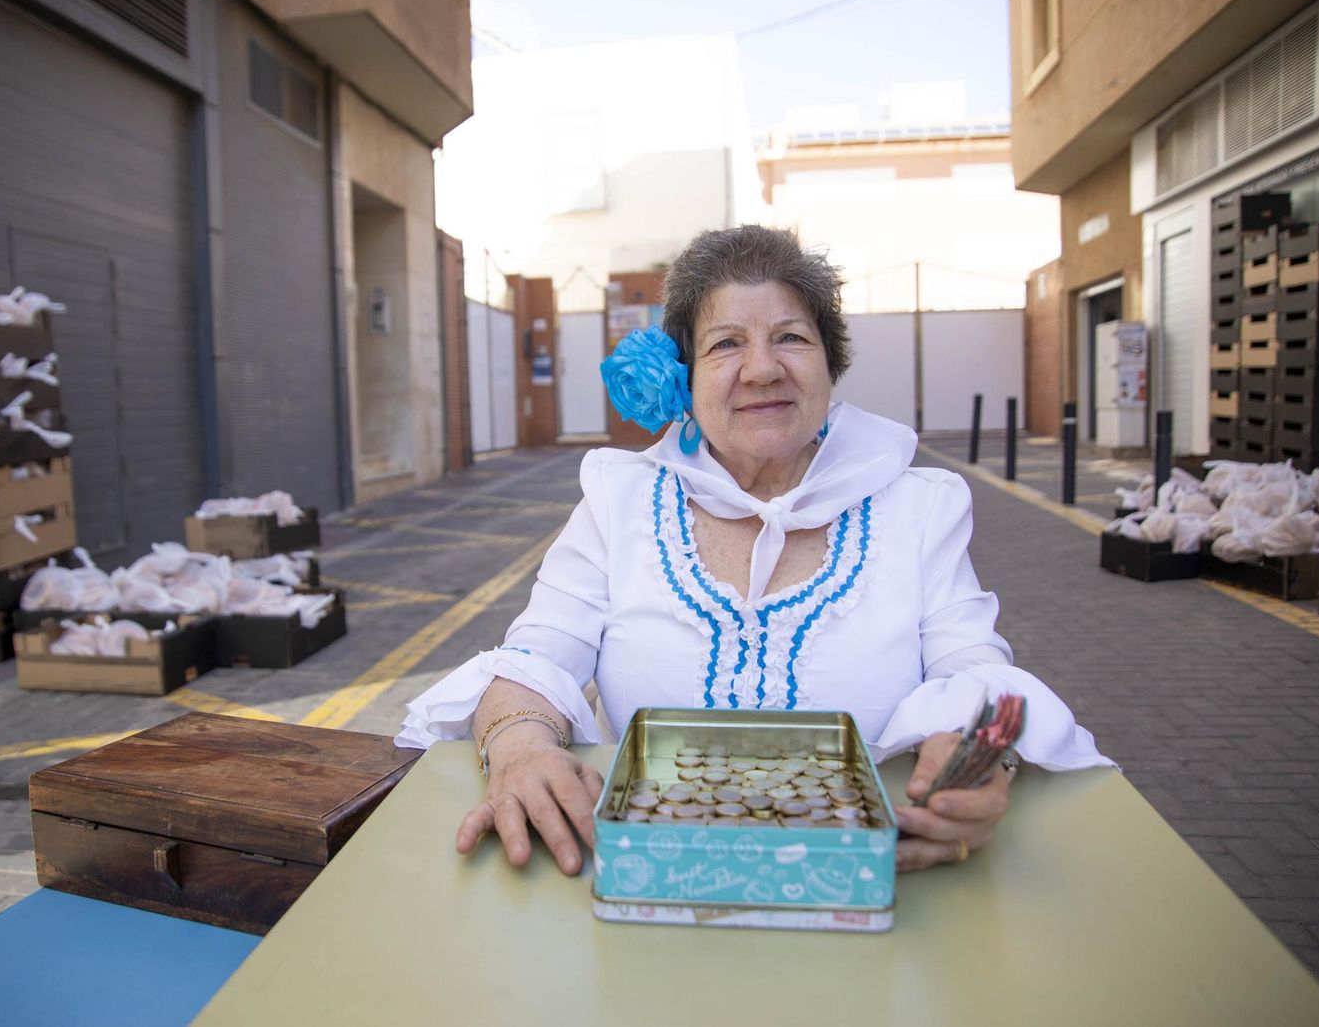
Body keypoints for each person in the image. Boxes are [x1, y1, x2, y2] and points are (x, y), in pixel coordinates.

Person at [397, 225, 1109, 878]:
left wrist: (978, 758)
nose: (763, 369)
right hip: (650, 871)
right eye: (726, 343)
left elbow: (969, 663)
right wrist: (520, 749)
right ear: (685, 376)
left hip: (871, 869)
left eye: (792, 339)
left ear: (831, 364)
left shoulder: (918, 505)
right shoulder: (620, 501)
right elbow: (537, 656)